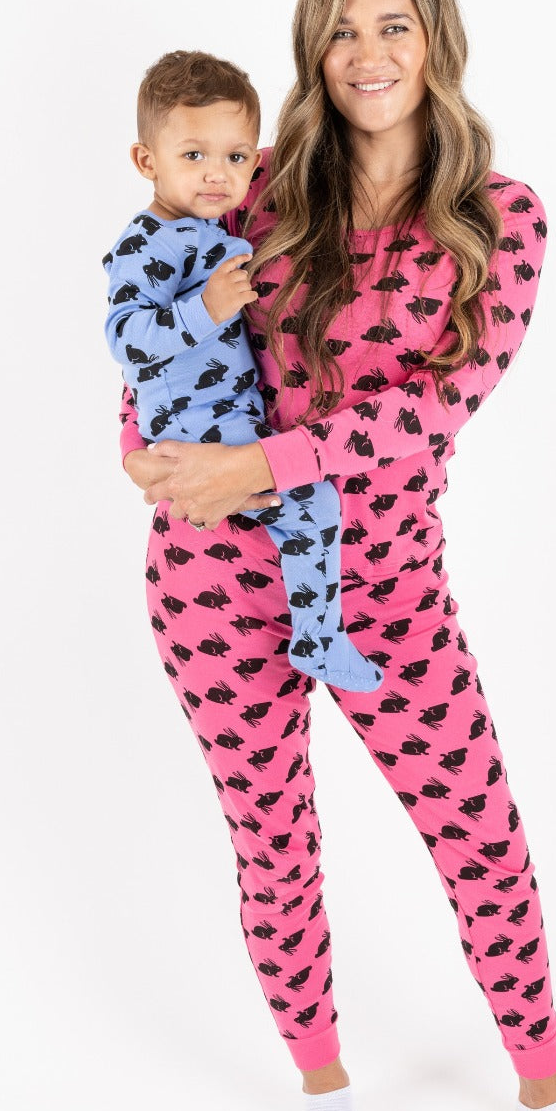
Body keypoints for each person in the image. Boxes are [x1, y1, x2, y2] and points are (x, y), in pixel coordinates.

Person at [116, 0, 556, 1111]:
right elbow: (155, 336)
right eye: (341, 29)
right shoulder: (254, 191)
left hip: (384, 590)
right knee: (273, 846)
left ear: (434, 39)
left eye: (391, 24)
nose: (366, 52)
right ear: (314, 49)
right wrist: (145, 448)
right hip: (215, 584)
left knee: (481, 835)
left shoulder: (499, 221)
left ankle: (547, 1096)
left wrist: (263, 463)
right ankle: (323, 1095)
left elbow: (432, 410)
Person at [105, 50, 383, 693]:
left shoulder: (209, 230)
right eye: (193, 154)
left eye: (235, 157)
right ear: (147, 161)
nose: (217, 173)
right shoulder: (145, 243)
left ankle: (314, 634)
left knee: (305, 506)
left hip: (226, 413)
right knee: (312, 502)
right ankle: (319, 638)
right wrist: (205, 309)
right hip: (196, 424)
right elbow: (126, 341)